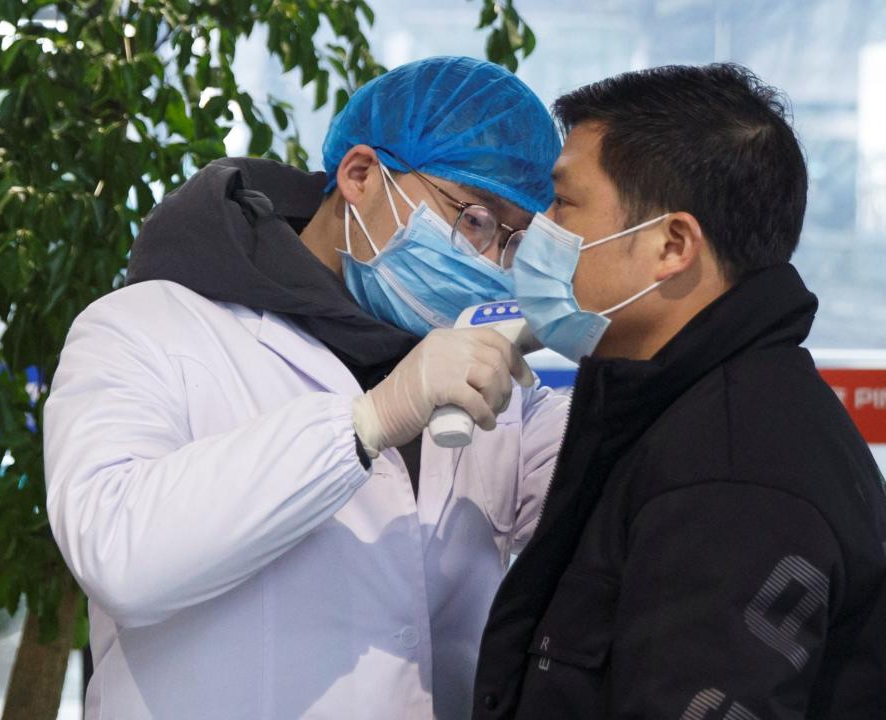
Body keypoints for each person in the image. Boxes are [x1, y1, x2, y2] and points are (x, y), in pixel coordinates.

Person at [44, 57, 570, 719]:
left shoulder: (487, 377)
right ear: (359, 176)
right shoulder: (147, 327)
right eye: (473, 220)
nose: (492, 263)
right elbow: (118, 554)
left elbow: (644, 473)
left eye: (515, 245)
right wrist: (366, 423)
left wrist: (615, 314)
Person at [472, 63, 886, 718]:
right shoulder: (687, 414)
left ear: (672, 245)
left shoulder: (732, 472)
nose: (536, 231)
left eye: (563, 204)